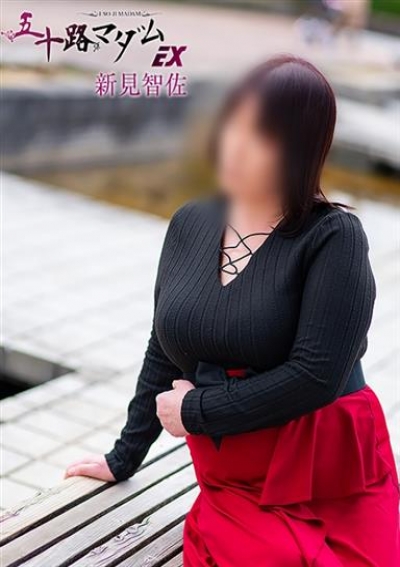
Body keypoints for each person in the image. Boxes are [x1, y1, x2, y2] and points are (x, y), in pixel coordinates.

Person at [65, 55, 400, 566]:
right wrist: (123, 457)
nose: (235, 145)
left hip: (325, 467)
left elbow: (316, 376)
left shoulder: (335, 238)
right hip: (235, 466)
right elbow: (164, 346)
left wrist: (196, 412)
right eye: (232, 124)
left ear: (299, 150)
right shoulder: (190, 222)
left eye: (260, 135)